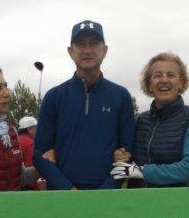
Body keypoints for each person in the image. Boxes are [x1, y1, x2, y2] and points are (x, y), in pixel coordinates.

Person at [32, 20, 135, 190]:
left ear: (105, 50)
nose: (87, 50)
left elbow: (128, 153)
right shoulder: (54, 97)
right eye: (80, 44)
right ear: (70, 52)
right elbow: (39, 155)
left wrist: (105, 192)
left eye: (94, 43)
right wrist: (68, 190)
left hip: (106, 198)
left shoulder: (121, 96)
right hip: (62, 199)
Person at [111, 52, 189, 188]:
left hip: (174, 204)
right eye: (157, 76)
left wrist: (143, 172)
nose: (164, 80)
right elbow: (130, 159)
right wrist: (121, 157)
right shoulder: (140, 120)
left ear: (181, 82)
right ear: (149, 84)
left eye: (171, 75)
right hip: (137, 203)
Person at [17, 116, 41, 190]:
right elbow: (30, 166)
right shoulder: (30, 143)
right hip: (27, 188)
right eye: (36, 128)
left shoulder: (14, 141)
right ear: (30, 129)